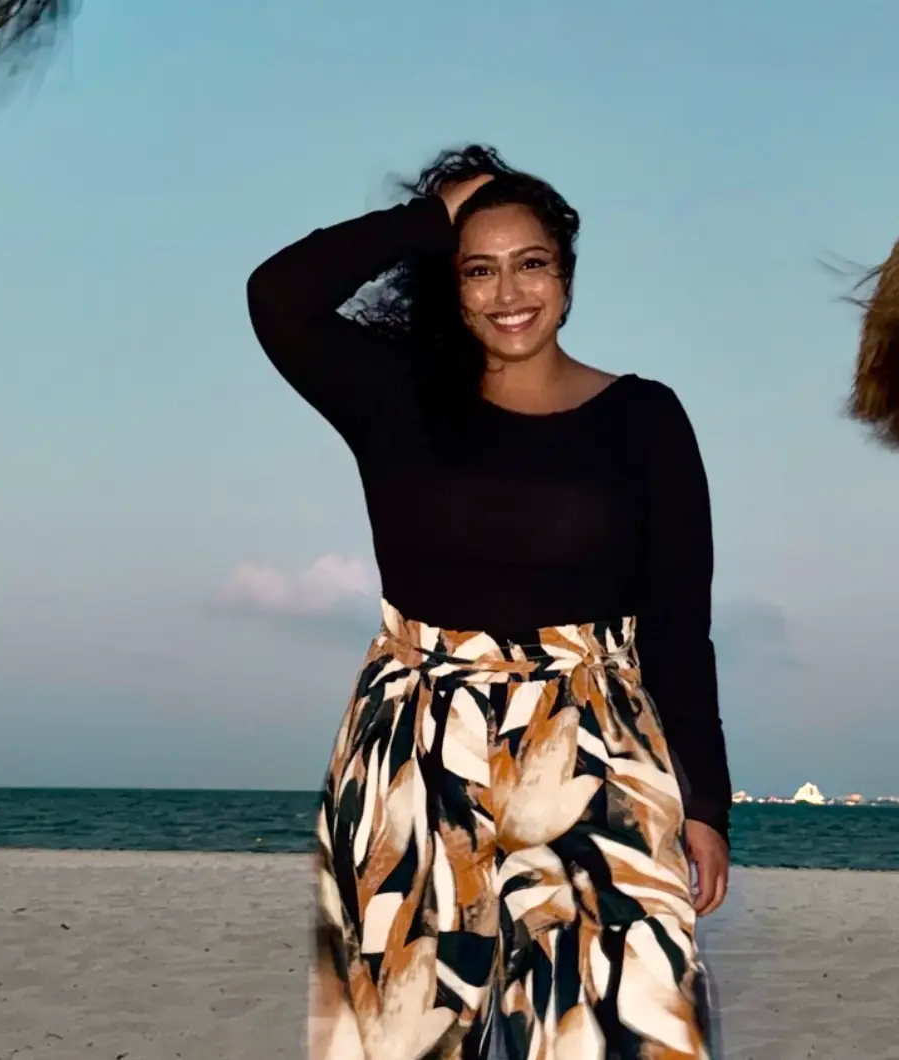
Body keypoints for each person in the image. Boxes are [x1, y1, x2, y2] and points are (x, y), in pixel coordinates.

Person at [247, 145, 732, 1060]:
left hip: (596, 744)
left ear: (568, 273)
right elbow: (278, 296)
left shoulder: (647, 419)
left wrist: (706, 800)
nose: (508, 291)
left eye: (531, 262)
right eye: (478, 268)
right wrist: (427, 218)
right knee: (407, 1038)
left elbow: (678, 620)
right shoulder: (397, 397)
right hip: (413, 746)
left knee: (631, 1028)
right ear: (449, 282)